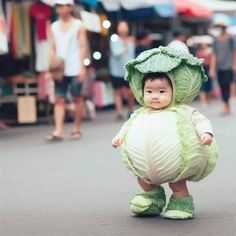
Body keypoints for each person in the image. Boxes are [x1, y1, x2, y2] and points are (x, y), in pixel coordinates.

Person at [112, 46, 218, 220]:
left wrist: (206, 133)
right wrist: (119, 137)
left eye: (162, 92)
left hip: (174, 164)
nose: (155, 96)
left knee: (177, 184)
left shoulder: (182, 111)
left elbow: (200, 120)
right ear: (142, 92)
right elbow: (128, 125)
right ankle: (151, 194)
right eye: (149, 92)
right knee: (142, 179)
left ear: (173, 91)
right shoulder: (141, 112)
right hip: (146, 165)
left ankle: (181, 202)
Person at [46, 0, 87, 141]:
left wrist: (82, 67)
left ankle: (76, 128)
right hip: (59, 69)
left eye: (61, 5)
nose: (59, 9)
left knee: (77, 97)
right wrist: (49, 68)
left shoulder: (78, 25)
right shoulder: (54, 26)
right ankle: (58, 130)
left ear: (69, 7)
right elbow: (52, 48)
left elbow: (83, 47)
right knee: (59, 99)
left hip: (75, 67)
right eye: (57, 6)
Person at [109, 21, 135, 120]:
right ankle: (119, 112)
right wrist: (124, 45)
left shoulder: (132, 39)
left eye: (124, 26)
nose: (123, 28)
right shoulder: (114, 39)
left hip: (128, 70)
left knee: (130, 91)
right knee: (118, 91)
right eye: (121, 26)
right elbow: (116, 52)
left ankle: (131, 109)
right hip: (116, 70)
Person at [209, 23, 236, 115]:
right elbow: (214, 55)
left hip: (228, 66)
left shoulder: (230, 39)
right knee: (221, 85)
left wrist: (234, 64)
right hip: (219, 67)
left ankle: (225, 104)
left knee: (226, 84)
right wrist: (212, 69)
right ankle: (226, 104)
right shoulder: (215, 41)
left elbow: (234, 52)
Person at [196, 42, 213, 107]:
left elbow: (212, 61)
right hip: (202, 68)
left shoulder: (209, 51)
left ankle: (208, 100)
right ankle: (203, 101)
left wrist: (212, 70)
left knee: (209, 84)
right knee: (202, 85)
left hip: (208, 68)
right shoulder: (198, 52)